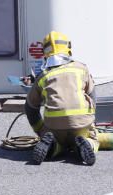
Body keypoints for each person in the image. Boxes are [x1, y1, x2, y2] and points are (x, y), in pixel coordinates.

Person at [25, 31, 99, 166]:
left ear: (45, 52)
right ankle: (86, 144)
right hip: (82, 124)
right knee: (93, 139)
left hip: (54, 127)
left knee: (58, 143)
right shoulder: (81, 69)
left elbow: (30, 108)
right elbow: (93, 97)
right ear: (68, 48)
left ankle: (52, 146)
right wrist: (90, 122)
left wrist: (41, 131)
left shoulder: (43, 76)